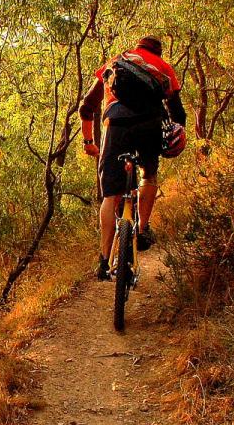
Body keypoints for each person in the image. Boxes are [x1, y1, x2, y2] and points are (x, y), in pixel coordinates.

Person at [79, 36, 186, 281]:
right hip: (150, 124)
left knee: (110, 197)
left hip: (115, 126)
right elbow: (177, 112)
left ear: (137, 47)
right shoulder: (163, 68)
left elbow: (87, 107)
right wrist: (177, 134)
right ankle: (141, 228)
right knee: (149, 174)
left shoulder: (116, 62)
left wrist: (89, 142)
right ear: (158, 52)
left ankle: (104, 261)